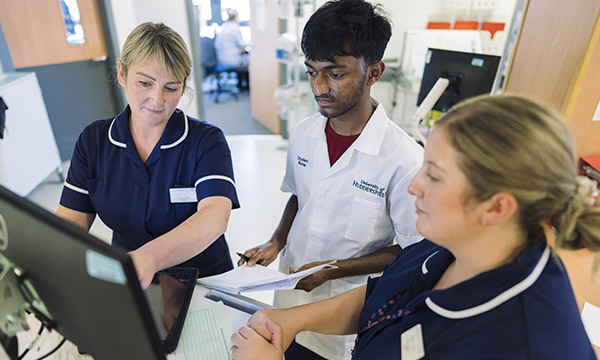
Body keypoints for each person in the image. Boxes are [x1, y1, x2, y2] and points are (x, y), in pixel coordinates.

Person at [230, 94, 600, 359]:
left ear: (496, 207)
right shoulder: (452, 245)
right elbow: (383, 297)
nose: (412, 186)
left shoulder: (524, 342)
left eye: (434, 176)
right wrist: (292, 320)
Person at [237, 0, 423, 358]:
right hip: (290, 293)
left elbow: (410, 253)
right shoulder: (304, 134)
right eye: (311, 72)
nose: (319, 86)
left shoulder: (405, 160)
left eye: (335, 74)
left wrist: (332, 271)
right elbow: (299, 195)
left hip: (345, 315)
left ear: (373, 72)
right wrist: (276, 242)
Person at [56, 22, 239, 290]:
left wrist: (149, 257)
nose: (156, 99)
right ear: (121, 73)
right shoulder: (93, 141)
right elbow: (70, 223)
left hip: (203, 282)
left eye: (171, 88)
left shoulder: (206, 141)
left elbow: (214, 215)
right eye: (145, 83)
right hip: (131, 284)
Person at [214, 8, 249, 90]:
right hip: (233, 61)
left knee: (244, 60)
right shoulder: (235, 28)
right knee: (250, 63)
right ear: (235, 18)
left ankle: (240, 85)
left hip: (221, 61)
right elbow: (243, 48)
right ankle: (247, 88)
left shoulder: (223, 27)